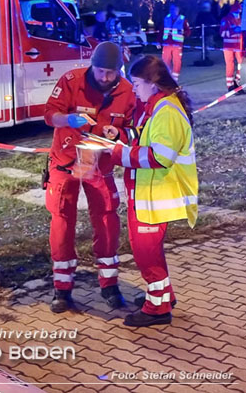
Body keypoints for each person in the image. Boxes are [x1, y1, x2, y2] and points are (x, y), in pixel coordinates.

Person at [102, 55, 198, 327]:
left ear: (152, 84)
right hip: (149, 194)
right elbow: (147, 139)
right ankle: (163, 295)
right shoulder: (159, 106)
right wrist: (120, 139)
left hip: (156, 196)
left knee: (146, 254)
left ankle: (157, 310)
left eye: (136, 83)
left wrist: (118, 154)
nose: (133, 89)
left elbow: (161, 156)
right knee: (150, 252)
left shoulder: (166, 111)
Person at [44, 41, 136, 313]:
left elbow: (133, 132)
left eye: (111, 73)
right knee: (61, 220)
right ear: (92, 65)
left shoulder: (128, 92)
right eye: (100, 71)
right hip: (64, 162)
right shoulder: (71, 80)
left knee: (107, 220)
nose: (105, 77)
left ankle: (109, 285)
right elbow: (49, 115)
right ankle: (62, 289)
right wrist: (67, 119)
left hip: (100, 165)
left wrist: (115, 134)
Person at [220, 2, 245, 92]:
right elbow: (222, 33)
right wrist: (234, 31)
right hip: (228, 47)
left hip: (238, 46)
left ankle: (237, 81)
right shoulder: (226, 20)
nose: (238, 14)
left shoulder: (240, 20)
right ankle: (230, 86)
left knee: (241, 64)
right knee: (230, 65)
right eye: (238, 12)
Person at [161, 3, 190, 81]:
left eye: (174, 9)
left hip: (177, 44)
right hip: (167, 43)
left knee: (177, 62)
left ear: (178, 10)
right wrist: (158, 41)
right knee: (165, 61)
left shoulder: (182, 19)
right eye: (171, 9)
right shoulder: (166, 18)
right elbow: (161, 30)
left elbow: (188, 31)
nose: (172, 11)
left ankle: (175, 79)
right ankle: (167, 77)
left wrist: (182, 33)